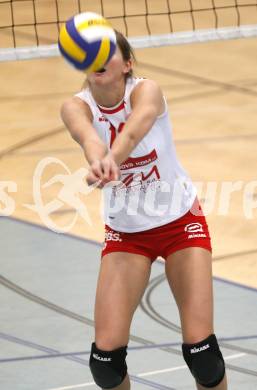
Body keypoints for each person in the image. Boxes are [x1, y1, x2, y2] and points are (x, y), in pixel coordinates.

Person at [61, 30, 228, 390]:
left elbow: (135, 129)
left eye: (107, 51)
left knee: (203, 356)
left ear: (128, 63)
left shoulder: (146, 89)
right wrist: (96, 157)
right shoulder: (75, 105)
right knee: (105, 363)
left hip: (180, 223)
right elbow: (87, 135)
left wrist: (111, 160)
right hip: (126, 235)